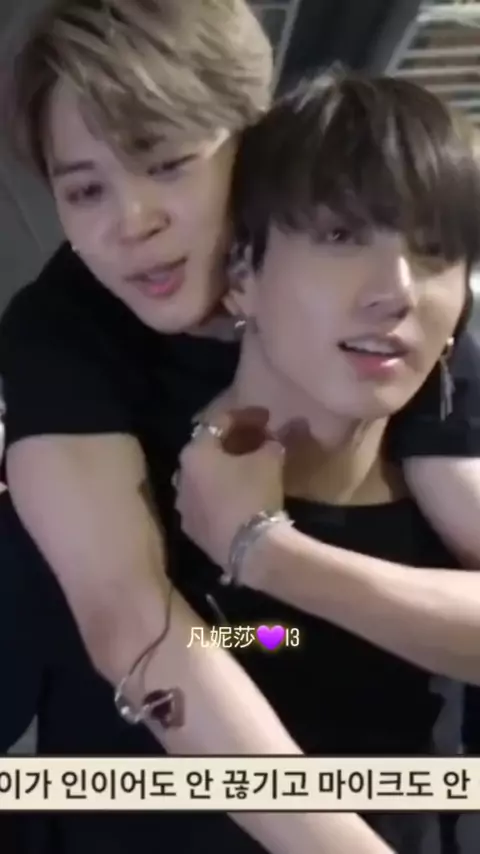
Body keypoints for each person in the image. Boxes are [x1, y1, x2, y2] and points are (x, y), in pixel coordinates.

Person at [0, 0, 478, 847]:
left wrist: (268, 552)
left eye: (169, 164)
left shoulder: (398, 329)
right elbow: (130, 626)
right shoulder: (65, 338)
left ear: (255, 141)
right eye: (85, 190)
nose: (132, 222)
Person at [170, 73, 480, 854]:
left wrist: (266, 551)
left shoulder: (448, 503)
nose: (397, 291)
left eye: (435, 252)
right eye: (341, 236)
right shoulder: (117, 495)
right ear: (242, 274)